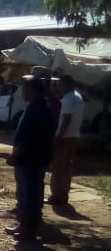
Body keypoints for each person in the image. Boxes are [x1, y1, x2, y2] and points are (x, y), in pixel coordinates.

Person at [5, 76, 56, 241]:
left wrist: (16, 154)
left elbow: (30, 138)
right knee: (23, 195)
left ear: (33, 90)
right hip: (28, 159)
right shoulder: (34, 107)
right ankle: (23, 225)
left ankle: (29, 230)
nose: (22, 92)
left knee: (30, 196)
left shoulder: (40, 109)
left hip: (31, 159)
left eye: (25, 89)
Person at [48, 73, 83, 206]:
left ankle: (56, 196)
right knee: (67, 167)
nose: (58, 87)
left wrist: (58, 137)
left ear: (66, 84)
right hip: (73, 135)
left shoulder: (68, 98)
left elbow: (66, 119)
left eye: (59, 84)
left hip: (65, 136)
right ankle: (63, 194)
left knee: (57, 167)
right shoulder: (78, 97)